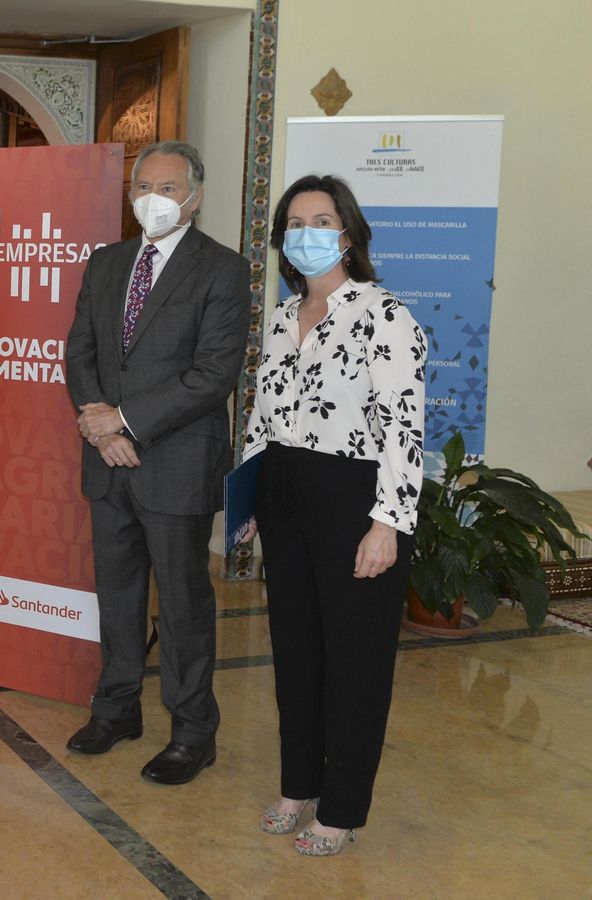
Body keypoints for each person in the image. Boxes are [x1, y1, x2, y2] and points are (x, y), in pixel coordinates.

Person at [238, 174, 425, 856]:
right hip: (285, 492)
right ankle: (297, 782)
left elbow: (405, 429)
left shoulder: (385, 314)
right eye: (294, 223)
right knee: (296, 651)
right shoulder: (284, 317)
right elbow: (265, 418)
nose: (306, 232)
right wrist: (252, 499)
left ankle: (341, 806)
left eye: (320, 220)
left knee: (355, 659)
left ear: (348, 232)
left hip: (357, 499)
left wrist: (388, 524)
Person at [64, 140, 249, 783]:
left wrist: (127, 421)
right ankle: (116, 708)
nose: (154, 197)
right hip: (107, 458)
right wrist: (98, 422)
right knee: (115, 595)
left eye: (168, 187)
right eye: (144, 184)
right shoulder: (108, 260)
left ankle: (193, 731)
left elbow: (212, 374)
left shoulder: (222, 269)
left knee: (182, 604)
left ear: (195, 196)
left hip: (175, 463)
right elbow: (80, 349)